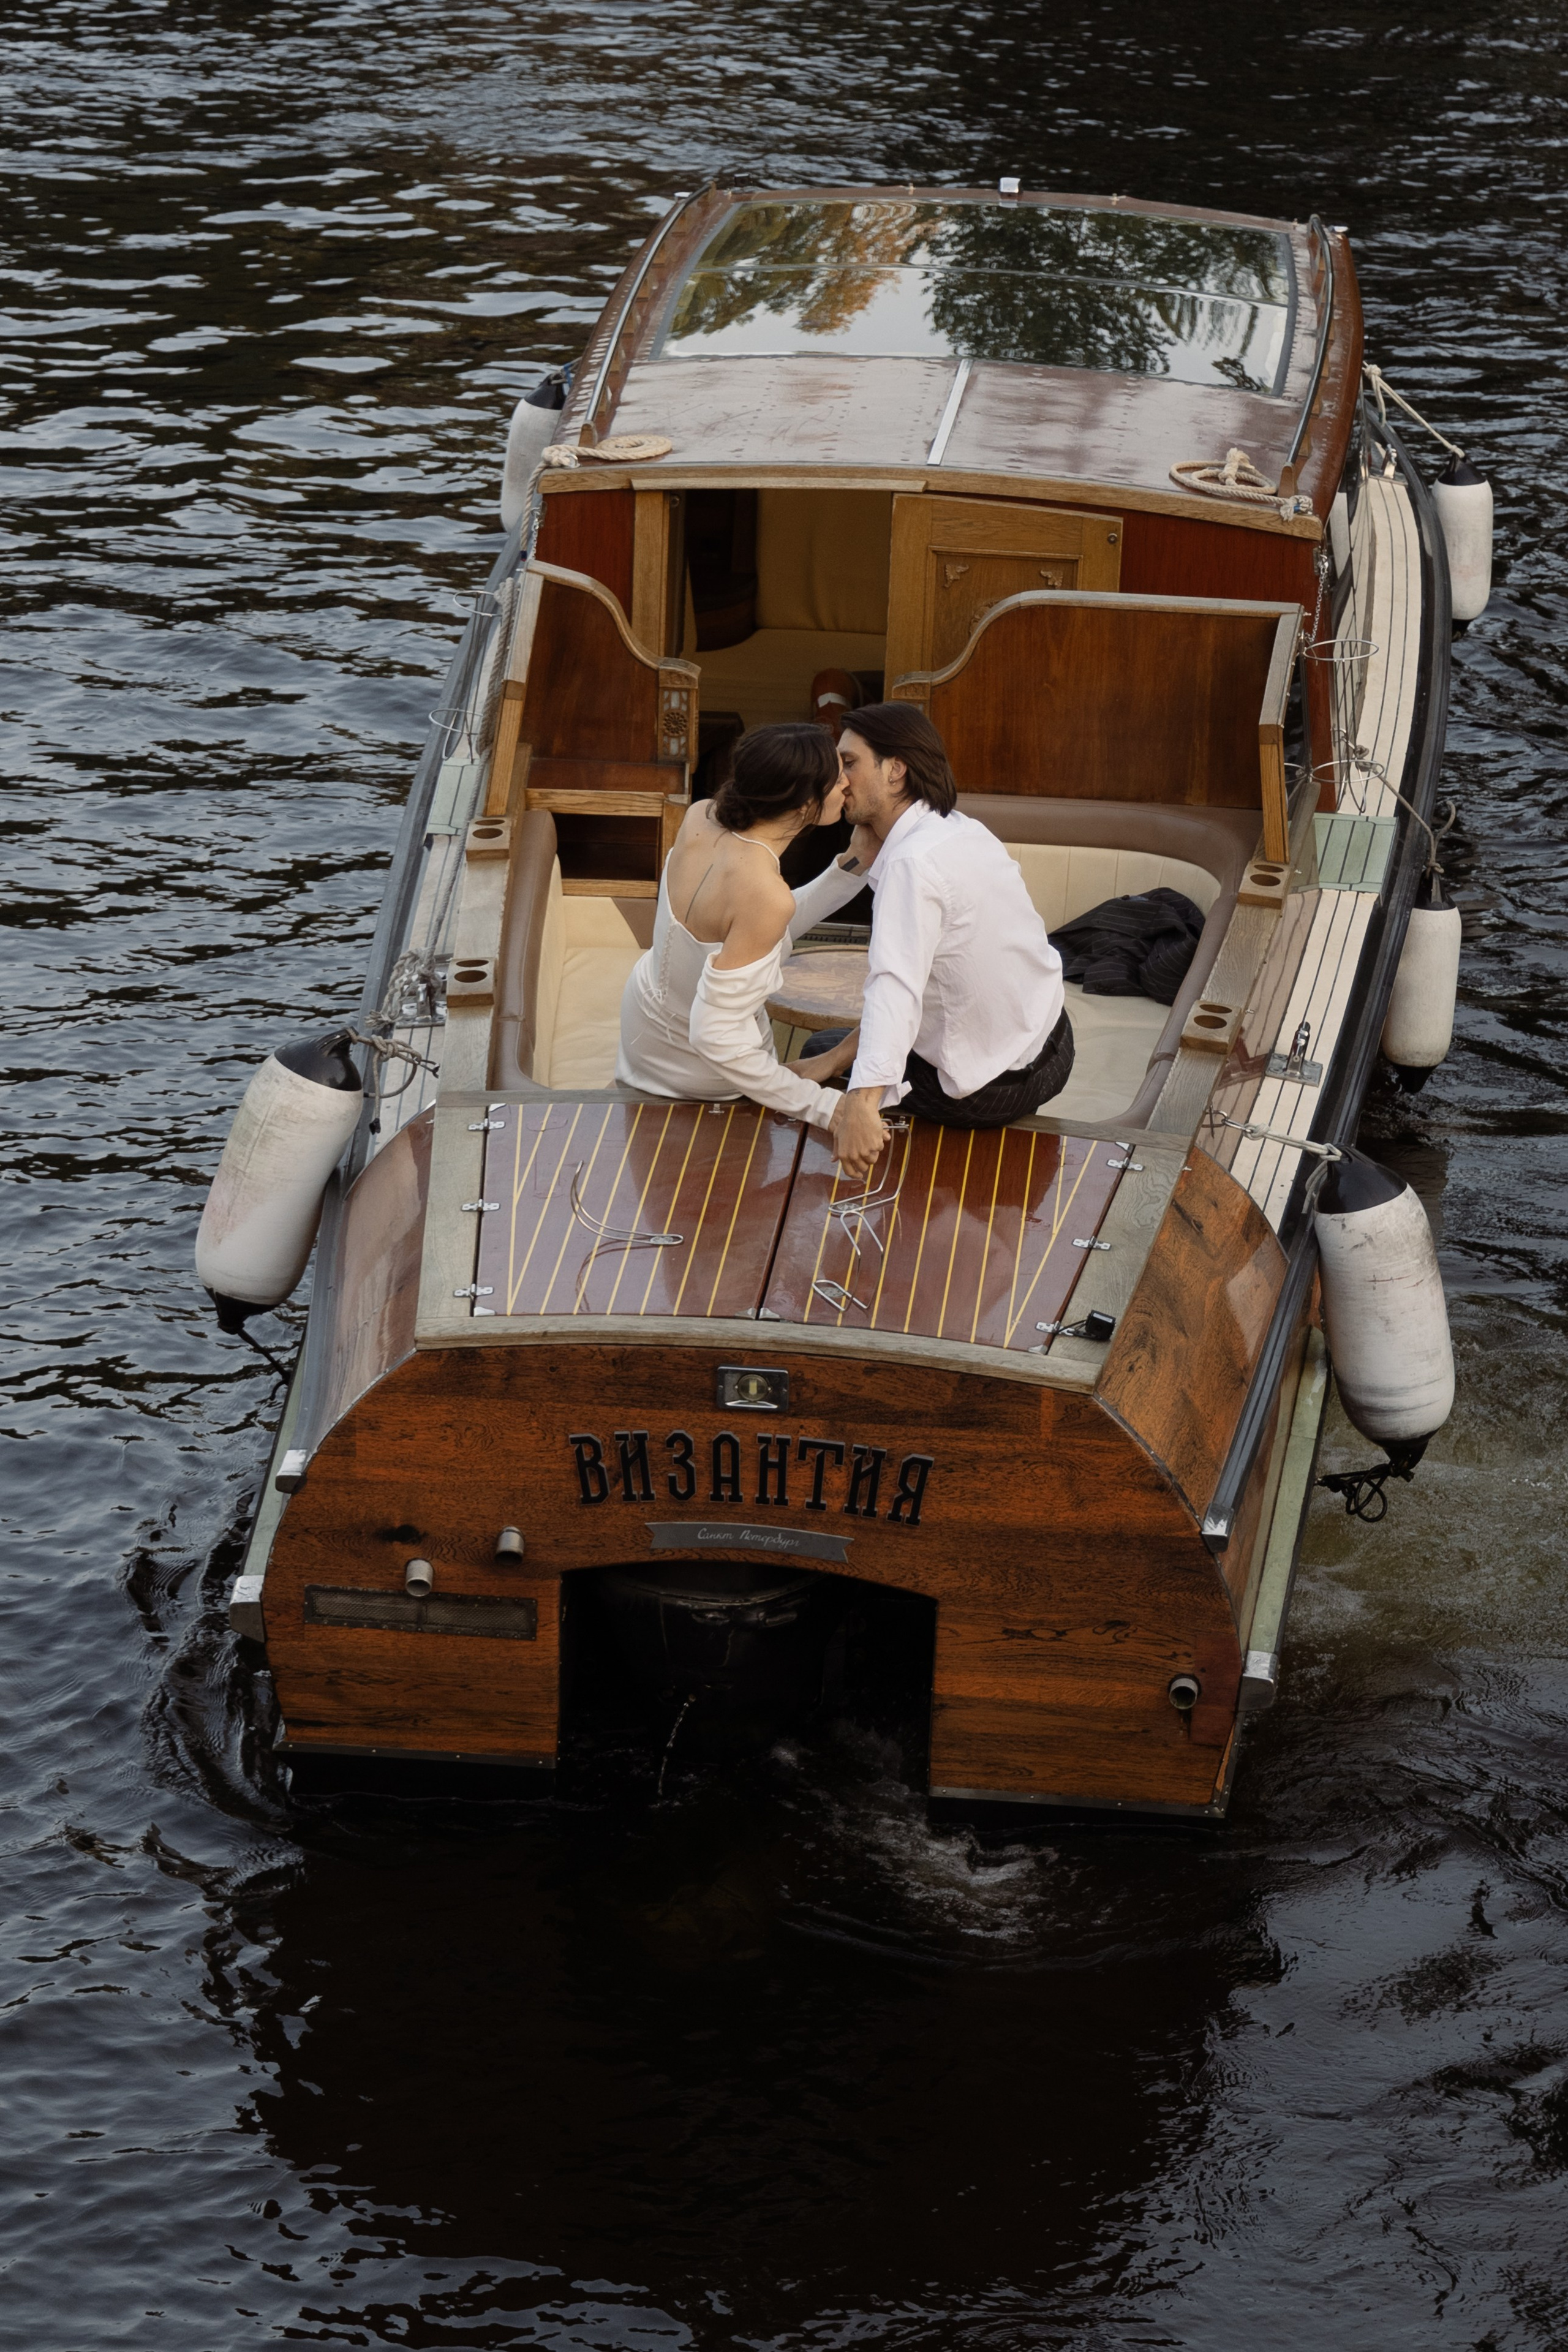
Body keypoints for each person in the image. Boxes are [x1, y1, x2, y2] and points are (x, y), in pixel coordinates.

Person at [795, 703, 1073, 1180]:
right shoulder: (960, 830)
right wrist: (841, 1059)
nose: (838, 779)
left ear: (896, 771)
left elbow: (896, 988)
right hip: (1055, 1047)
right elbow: (916, 987)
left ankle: (911, 1189)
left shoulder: (911, 865)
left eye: (850, 763)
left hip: (994, 1087)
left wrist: (862, 1104)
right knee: (836, 1053)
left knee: (819, 1053)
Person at [616, 722, 875, 1127]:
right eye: (835, 776)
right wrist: (829, 1109)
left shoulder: (701, 817)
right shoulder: (764, 895)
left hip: (641, 1031)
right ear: (804, 802)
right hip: (707, 1074)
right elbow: (715, 1038)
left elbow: (756, 921)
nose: (846, 782)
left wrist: (852, 864)